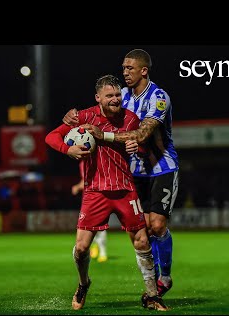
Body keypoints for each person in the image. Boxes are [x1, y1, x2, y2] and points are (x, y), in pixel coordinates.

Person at [63, 49, 179, 302]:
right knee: (140, 232)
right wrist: (73, 117)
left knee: (157, 225)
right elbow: (101, 111)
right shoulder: (122, 96)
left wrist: (103, 136)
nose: (124, 72)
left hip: (162, 168)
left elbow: (142, 134)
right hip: (133, 171)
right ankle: (153, 282)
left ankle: (165, 277)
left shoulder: (158, 97)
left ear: (143, 70)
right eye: (123, 68)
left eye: (130, 68)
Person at [46, 74, 167, 311]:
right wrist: (67, 149)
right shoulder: (84, 116)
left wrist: (136, 147)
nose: (115, 99)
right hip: (95, 191)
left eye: (118, 95)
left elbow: (142, 145)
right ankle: (83, 283)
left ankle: (152, 295)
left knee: (142, 241)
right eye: (109, 95)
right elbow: (51, 136)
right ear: (98, 98)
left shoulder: (130, 118)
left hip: (124, 189)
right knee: (81, 248)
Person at [72, 161, 108, 263]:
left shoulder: (99, 160)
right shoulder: (82, 163)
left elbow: (94, 180)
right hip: (88, 200)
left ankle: (103, 252)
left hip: (99, 198)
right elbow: (85, 179)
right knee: (88, 227)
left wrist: (77, 187)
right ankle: (95, 246)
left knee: (101, 227)